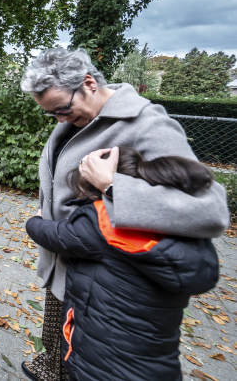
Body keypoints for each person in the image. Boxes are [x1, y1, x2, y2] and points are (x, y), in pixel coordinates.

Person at [18, 48, 230, 381]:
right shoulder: (77, 116)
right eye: (51, 115)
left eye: (62, 109)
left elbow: (211, 210)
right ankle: (51, 366)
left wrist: (113, 186)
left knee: (82, 356)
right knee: (57, 342)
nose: (59, 119)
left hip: (106, 279)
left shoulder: (148, 124)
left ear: (88, 83)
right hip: (70, 262)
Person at [25, 146, 219, 380]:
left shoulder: (102, 223)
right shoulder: (178, 231)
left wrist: (34, 221)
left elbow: (56, 235)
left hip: (99, 360)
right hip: (155, 364)